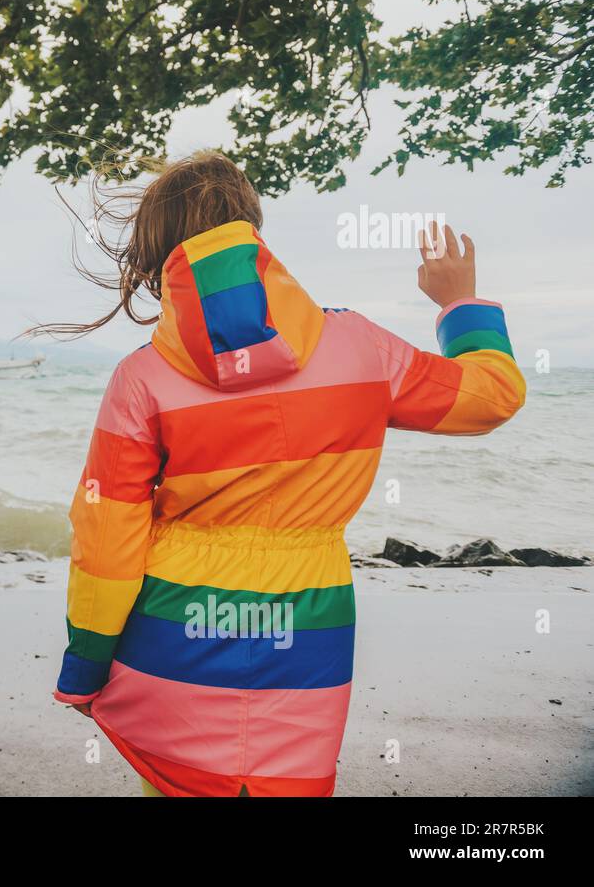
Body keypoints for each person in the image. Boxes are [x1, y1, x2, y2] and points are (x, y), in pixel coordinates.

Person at [50, 150, 526, 796]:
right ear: (253, 228)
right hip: (307, 636)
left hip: (176, 642)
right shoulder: (362, 348)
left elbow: (106, 543)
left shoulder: (141, 379)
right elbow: (492, 394)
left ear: (158, 253)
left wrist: (85, 665)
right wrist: (459, 303)